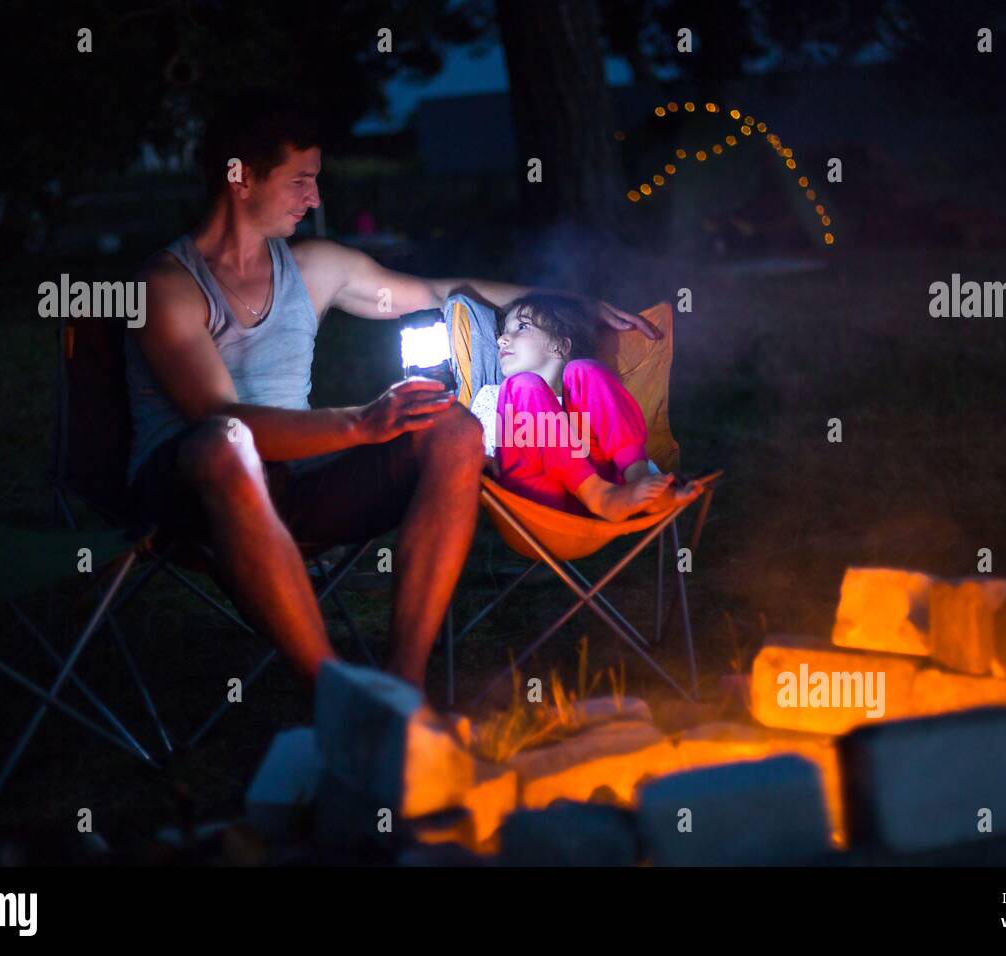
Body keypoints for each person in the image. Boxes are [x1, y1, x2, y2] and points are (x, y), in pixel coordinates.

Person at [124, 92, 660, 690]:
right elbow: (219, 417)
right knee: (224, 443)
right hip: (190, 493)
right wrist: (359, 422)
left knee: (454, 428)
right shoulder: (168, 284)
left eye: (317, 180)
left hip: (294, 484)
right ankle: (331, 691)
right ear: (240, 176)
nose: (316, 198)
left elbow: (440, 290)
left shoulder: (313, 267)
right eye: (300, 180)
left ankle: (403, 686)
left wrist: (565, 304)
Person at [468, 294, 701, 521]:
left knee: (585, 369)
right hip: (536, 503)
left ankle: (638, 480)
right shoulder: (494, 396)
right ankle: (597, 494)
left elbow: (617, 429)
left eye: (522, 327)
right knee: (523, 385)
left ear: (559, 345)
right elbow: (476, 457)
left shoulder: (587, 394)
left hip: (612, 493)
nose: (502, 339)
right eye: (503, 332)